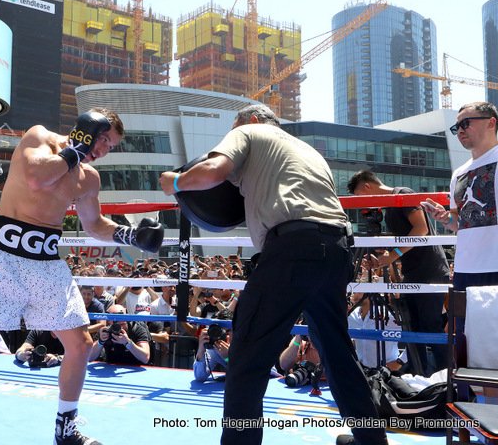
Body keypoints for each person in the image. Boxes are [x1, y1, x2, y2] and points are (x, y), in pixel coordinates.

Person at [0, 109, 164, 445]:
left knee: (80, 345)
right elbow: (37, 177)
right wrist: (75, 148)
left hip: (46, 264)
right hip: (1, 258)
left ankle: (66, 428)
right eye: (105, 138)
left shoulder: (89, 177)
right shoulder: (39, 137)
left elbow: (94, 225)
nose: (106, 149)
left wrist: (131, 236)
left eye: (112, 145)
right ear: (87, 129)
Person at [159, 103, 387, 445]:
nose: (229, 135)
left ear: (249, 120)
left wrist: (174, 181)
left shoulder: (249, 131)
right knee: (339, 355)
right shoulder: (306, 150)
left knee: (248, 357)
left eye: (232, 129)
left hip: (291, 251)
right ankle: (372, 441)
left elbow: (213, 170)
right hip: (337, 248)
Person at [347, 170, 450, 375]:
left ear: (367, 187)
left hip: (430, 271)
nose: (361, 205)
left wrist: (391, 256)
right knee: (410, 326)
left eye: (359, 197)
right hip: (413, 273)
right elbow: (402, 243)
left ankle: (444, 376)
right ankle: (417, 373)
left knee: (430, 327)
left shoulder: (403, 194)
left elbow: (421, 229)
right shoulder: (390, 208)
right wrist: (382, 257)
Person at [422, 101, 498, 293]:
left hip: (494, 264)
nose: (460, 131)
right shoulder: (459, 173)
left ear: (491, 123)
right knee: (466, 323)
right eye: (457, 127)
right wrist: (444, 217)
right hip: (466, 267)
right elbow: (458, 221)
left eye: (466, 123)